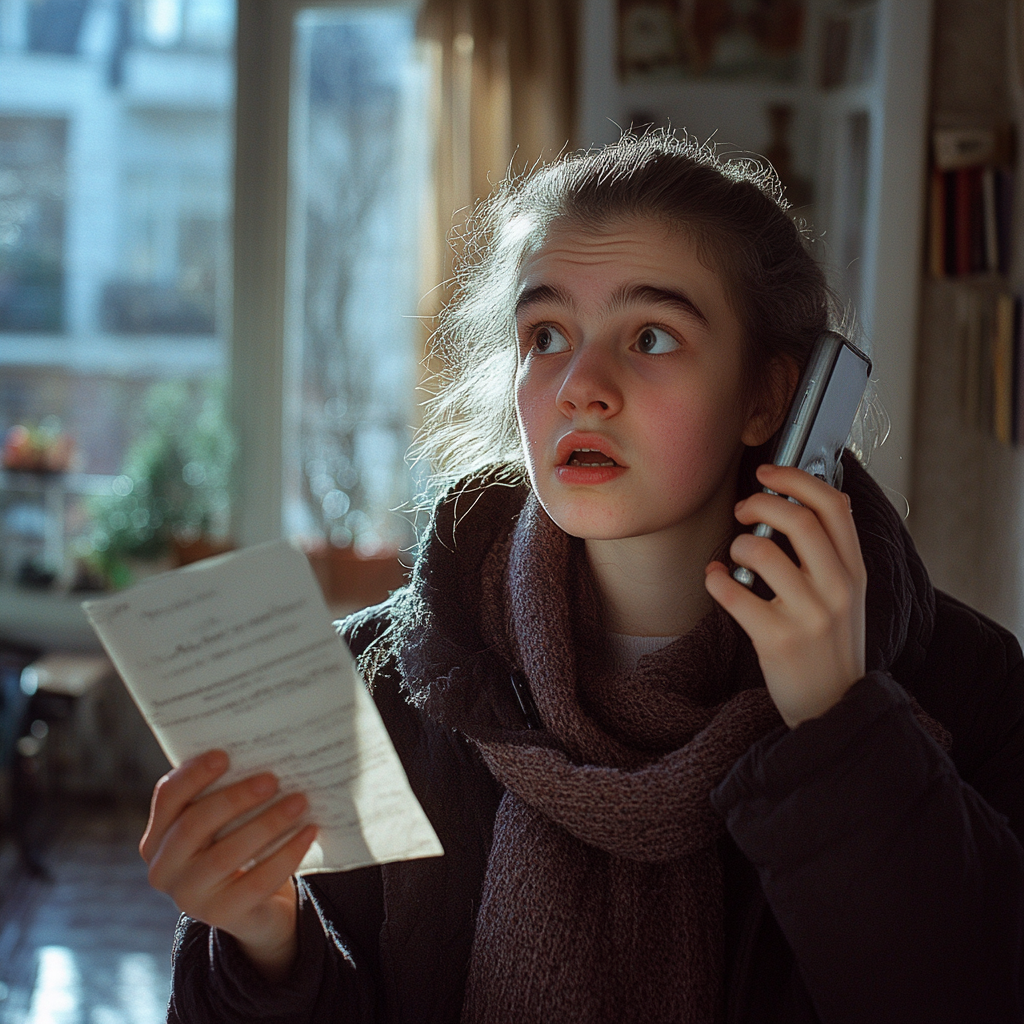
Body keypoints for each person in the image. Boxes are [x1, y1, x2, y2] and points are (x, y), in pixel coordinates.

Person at [141, 131, 1024, 1023]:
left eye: (651, 335)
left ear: (768, 397)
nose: (580, 386)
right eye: (547, 334)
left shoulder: (962, 687)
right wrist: (263, 943)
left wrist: (841, 729)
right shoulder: (366, 687)